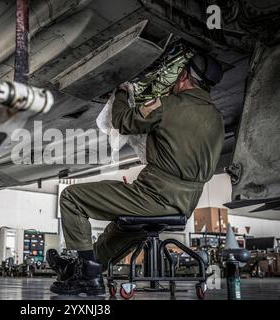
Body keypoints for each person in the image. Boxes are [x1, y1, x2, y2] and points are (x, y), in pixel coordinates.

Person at [48, 53, 225, 295]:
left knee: (71, 197)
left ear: (183, 76)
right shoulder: (217, 117)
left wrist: (122, 91)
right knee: (120, 232)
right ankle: (75, 271)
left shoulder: (169, 106)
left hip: (154, 196)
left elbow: (122, 121)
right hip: (185, 205)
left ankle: (89, 280)